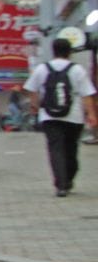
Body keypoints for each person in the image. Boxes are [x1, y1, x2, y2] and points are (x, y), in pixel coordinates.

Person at [22, 37, 98, 197]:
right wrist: (91, 114)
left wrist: (34, 105)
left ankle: (61, 185)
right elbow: (87, 95)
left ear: (53, 51)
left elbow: (31, 89)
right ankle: (67, 180)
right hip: (74, 117)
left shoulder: (42, 69)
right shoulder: (77, 70)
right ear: (70, 52)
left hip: (49, 117)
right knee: (71, 150)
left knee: (55, 150)